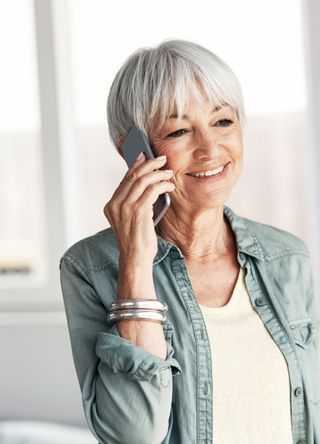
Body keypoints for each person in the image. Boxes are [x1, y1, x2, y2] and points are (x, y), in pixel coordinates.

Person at [60, 39, 320, 444]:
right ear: (133, 152)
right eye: (179, 130)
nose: (211, 149)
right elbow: (134, 434)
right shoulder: (90, 267)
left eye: (223, 122)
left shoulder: (287, 257)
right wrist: (135, 262)